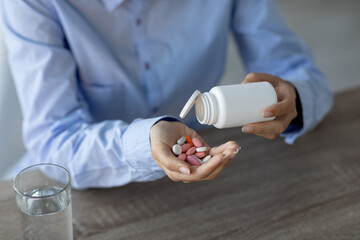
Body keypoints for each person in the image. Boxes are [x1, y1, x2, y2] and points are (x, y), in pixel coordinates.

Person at [1, 0, 333, 189]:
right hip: (77, 184)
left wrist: (292, 99)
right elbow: (54, 137)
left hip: (197, 180)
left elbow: (302, 75)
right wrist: (147, 142)